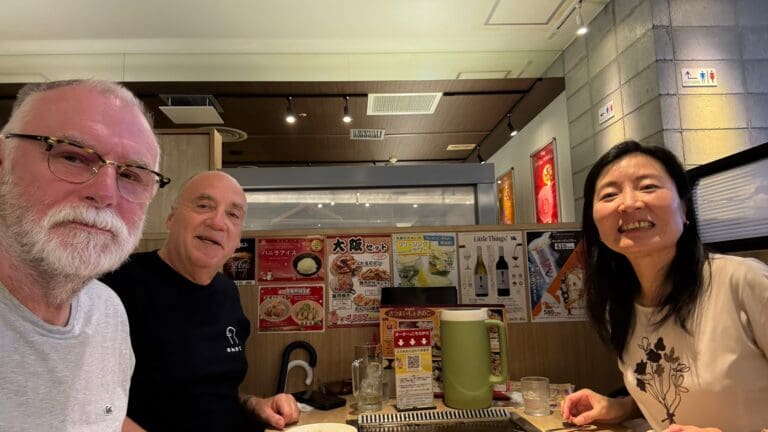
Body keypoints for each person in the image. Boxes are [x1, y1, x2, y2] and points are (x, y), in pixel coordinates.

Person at [561, 140, 768, 431]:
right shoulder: (618, 307)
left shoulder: (742, 281)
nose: (629, 203)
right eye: (610, 194)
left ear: (684, 208)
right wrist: (623, 406)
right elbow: (685, 390)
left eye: (648, 187)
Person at [0, 80, 167, 430]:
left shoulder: (106, 310)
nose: (105, 193)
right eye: (72, 156)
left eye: (131, 175)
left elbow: (104, 420)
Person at [101, 171, 300, 432]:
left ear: (238, 239)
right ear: (171, 219)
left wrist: (254, 405)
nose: (218, 222)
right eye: (204, 206)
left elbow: (212, 394)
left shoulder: (227, 292)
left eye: (233, 215)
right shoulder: (117, 286)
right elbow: (92, 404)